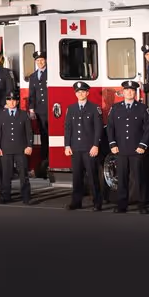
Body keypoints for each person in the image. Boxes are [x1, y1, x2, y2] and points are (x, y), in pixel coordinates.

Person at [107, 80, 149, 214]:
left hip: (137, 149)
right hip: (120, 149)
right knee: (122, 177)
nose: (129, 92)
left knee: (138, 177)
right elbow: (110, 128)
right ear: (123, 92)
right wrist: (112, 144)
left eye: (132, 90)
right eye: (127, 90)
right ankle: (122, 204)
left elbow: (147, 128)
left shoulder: (142, 108)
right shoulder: (115, 108)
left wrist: (143, 145)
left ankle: (141, 204)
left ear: (135, 92)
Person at [64, 82, 104, 211]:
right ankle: (76, 202)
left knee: (92, 176)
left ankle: (97, 202)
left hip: (89, 148)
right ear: (75, 94)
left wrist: (95, 145)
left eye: (83, 92)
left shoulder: (94, 108)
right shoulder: (71, 109)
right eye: (78, 92)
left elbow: (98, 129)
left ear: (87, 93)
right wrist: (67, 145)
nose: (80, 94)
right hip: (76, 148)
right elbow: (68, 128)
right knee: (77, 177)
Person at [0, 92, 33, 205]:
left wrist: (29, 146)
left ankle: (26, 197)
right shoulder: (1, 115)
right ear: (6, 102)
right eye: (9, 100)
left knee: (23, 174)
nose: (11, 102)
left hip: (21, 149)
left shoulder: (23, 114)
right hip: (6, 149)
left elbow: (29, 132)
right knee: (6, 174)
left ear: (17, 102)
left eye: (14, 100)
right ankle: (5, 196)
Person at [26, 51, 49, 174]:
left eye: (42, 60)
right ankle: (45, 160)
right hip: (39, 111)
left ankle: (49, 159)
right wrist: (31, 108)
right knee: (43, 135)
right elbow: (32, 94)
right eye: (38, 61)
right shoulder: (33, 76)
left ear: (45, 61)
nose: (40, 63)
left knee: (50, 134)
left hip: (50, 109)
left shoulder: (51, 74)